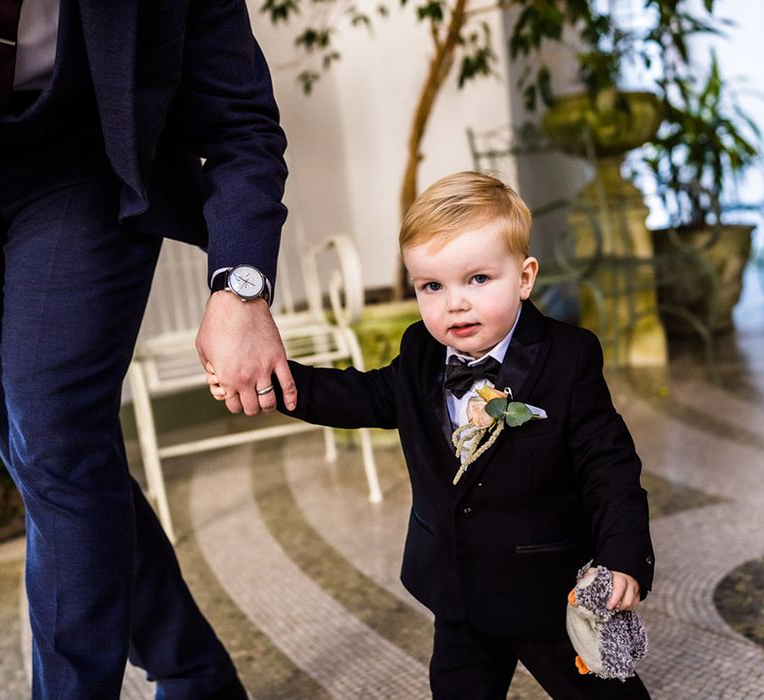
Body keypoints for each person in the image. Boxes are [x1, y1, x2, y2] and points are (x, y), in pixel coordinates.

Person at [208, 171, 655, 698]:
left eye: (478, 279)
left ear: (525, 277)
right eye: (432, 286)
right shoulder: (421, 349)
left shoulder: (569, 357)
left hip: (546, 591)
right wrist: (278, 379)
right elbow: (367, 396)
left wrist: (623, 553)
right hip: (457, 589)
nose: (454, 303)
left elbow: (610, 466)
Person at [0, 0, 297, 697]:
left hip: (83, 165)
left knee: (54, 431)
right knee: (43, 457)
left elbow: (240, 123)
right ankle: (197, 677)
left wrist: (241, 288)